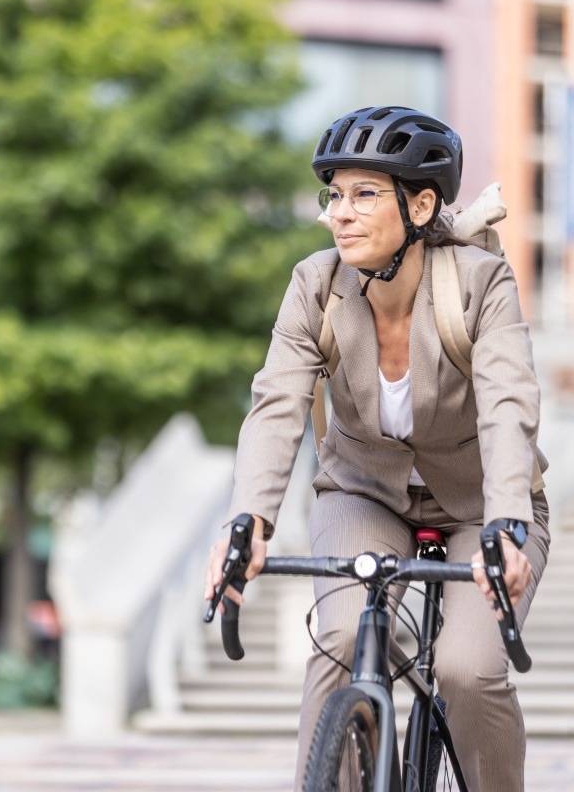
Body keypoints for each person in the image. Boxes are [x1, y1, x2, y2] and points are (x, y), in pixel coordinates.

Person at [204, 105, 550, 792]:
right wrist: (248, 521)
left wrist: (509, 520)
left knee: (465, 670)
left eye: (365, 194)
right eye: (334, 195)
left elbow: (508, 404)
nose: (341, 213)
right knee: (336, 642)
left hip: (484, 504)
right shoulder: (315, 285)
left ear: (420, 205)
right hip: (361, 493)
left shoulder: (478, 283)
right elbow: (276, 405)